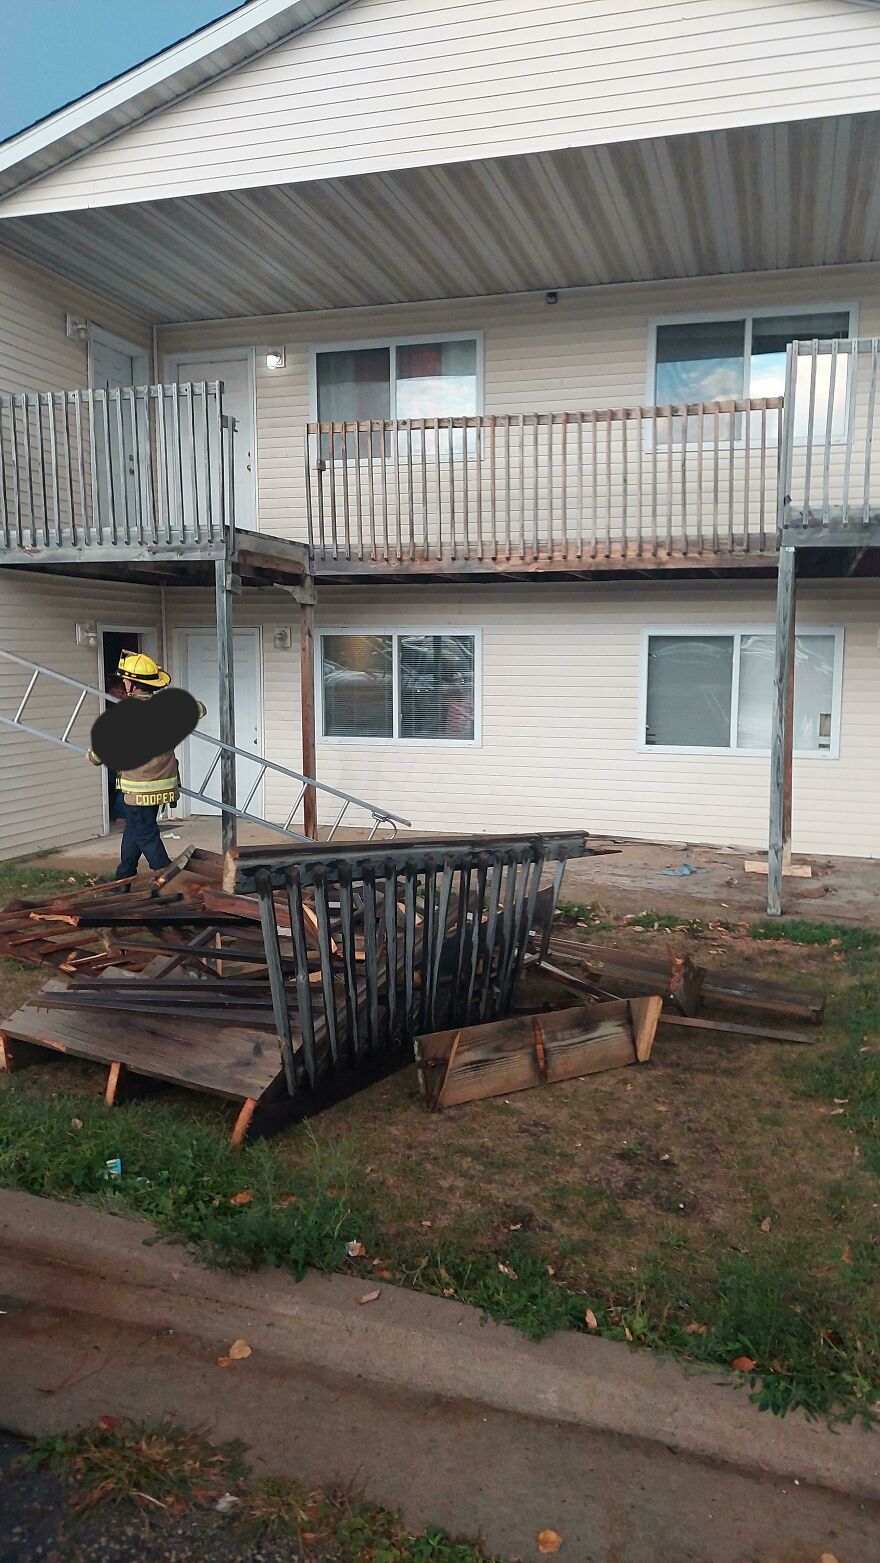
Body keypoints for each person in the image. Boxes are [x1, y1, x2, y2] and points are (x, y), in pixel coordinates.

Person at [88, 651, 205, 885]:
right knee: (134, 831)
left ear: (130, 684)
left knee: (146, 835)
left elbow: (99, 755)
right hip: (161, 788)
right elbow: (200, 709)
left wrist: (92, 755)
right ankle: (123, 878)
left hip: (137, 791)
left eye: (125, 680)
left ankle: (170, 880)